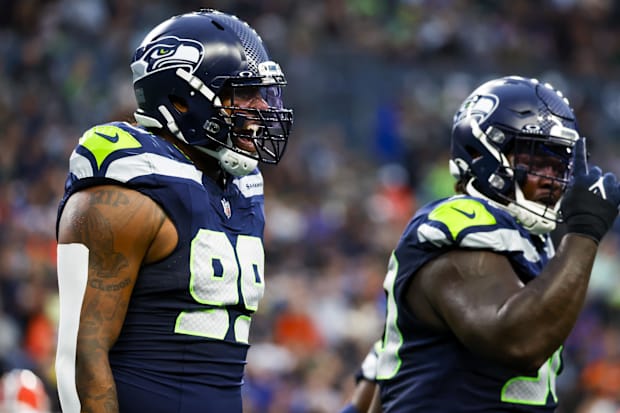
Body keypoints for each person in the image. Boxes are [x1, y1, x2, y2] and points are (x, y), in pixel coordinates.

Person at [54, 9, 293, 413]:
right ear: (182, 100)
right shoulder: (128, 186)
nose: (261, 108)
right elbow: (81, 356)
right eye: (243, 93)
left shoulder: (241, 187)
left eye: (263, 94)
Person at [369, 76, 620, 411]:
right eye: (536, 161)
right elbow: (519, 342)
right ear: (482, 152)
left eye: (558, 163)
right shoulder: (461, 222)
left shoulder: (536, 246)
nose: (550, 178)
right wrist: (584, 233)